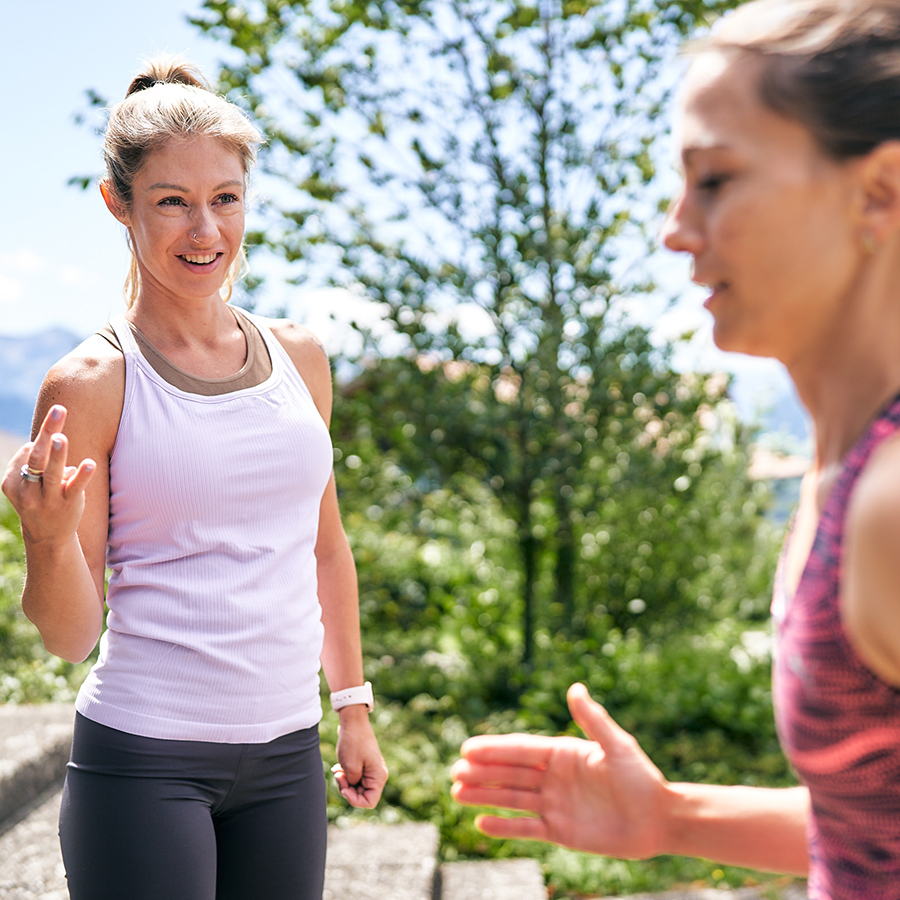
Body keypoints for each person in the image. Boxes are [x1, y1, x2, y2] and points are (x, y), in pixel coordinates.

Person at [451, 0, 900, 896]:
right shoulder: (844, 477)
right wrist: (669, 818)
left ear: (879, 191)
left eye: (717, 180)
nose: (673, 228)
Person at [1, 57, 387, 900]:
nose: (204, 231)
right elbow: (70, 637)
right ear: (119, 204)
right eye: (172, 201)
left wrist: (351, 707)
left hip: (288, 758)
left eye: (225, 199)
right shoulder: (92, 383)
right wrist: (45, 536)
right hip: (143, 765)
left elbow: (324, 550)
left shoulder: (301, 360)